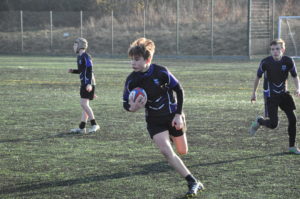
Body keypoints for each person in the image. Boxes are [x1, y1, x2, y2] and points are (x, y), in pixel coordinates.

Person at [122, 38, 204, 197]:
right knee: (167, 152)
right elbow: (126, 104)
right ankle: (193, 181)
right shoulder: (131, 80)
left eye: (137, 60)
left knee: (182, 151)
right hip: (154, 121)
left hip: (172, 115)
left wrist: (179, 115)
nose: (133, 63)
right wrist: (132, 108)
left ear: (148, 59)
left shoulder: (161, 72)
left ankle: (175, 133)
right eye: (132, 59)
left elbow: (179, 90)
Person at [250, 38, 300, 154]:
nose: (275, 51)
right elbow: (258, 77)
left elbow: (295, 76)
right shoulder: (265, 62)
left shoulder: (288, 61)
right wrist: (254, 93)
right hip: (270, 96)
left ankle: (292, 146)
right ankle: (259, 121)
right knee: (273, 124)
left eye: (277, 49)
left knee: (293, 119)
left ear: (283, 49)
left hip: (284, 94)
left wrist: (298, 88)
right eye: (272, 49)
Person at [68, 37, 100, 134]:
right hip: (85, 83)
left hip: (88, 83)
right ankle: (82, 127)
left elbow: (90, 70)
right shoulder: (79, 57)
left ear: (80, 45)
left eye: (75, 45)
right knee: (85, 105)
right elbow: (82, 71)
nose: (73, 47)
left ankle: (94, 124)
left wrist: (89, 84)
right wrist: (73, 71)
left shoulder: (86, 56)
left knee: (84, 104)